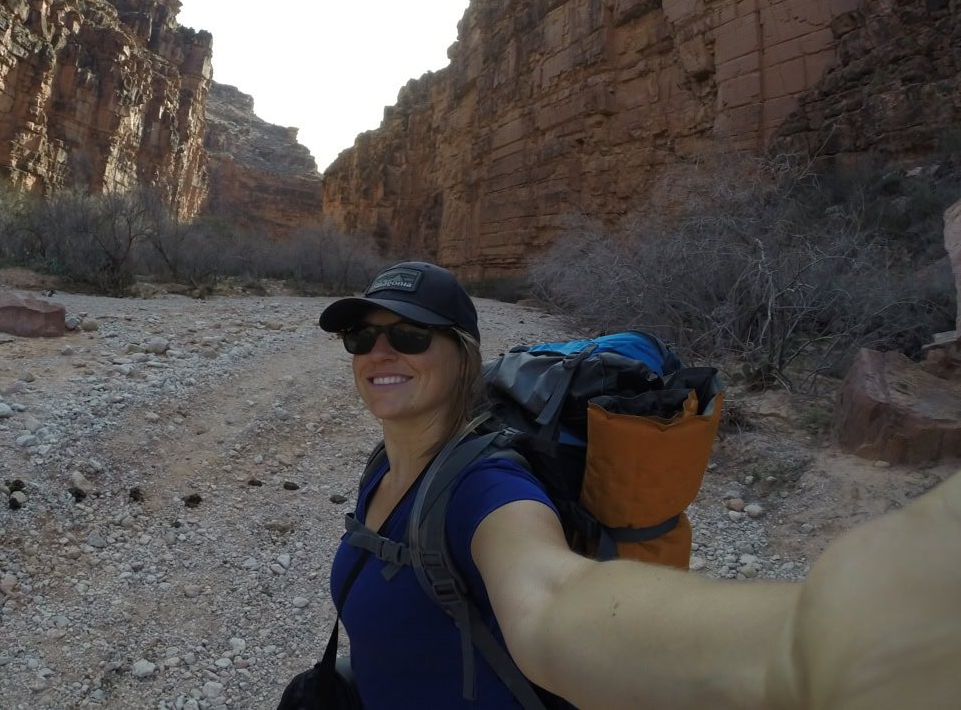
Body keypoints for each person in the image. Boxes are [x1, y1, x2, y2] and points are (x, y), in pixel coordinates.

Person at [316, 260, 961, 710]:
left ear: (462, 354)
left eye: (408, 335)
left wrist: (811, 651)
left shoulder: (483, 488)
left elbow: (554, 598)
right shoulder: (386, 462)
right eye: (362, 335)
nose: (380, 352)